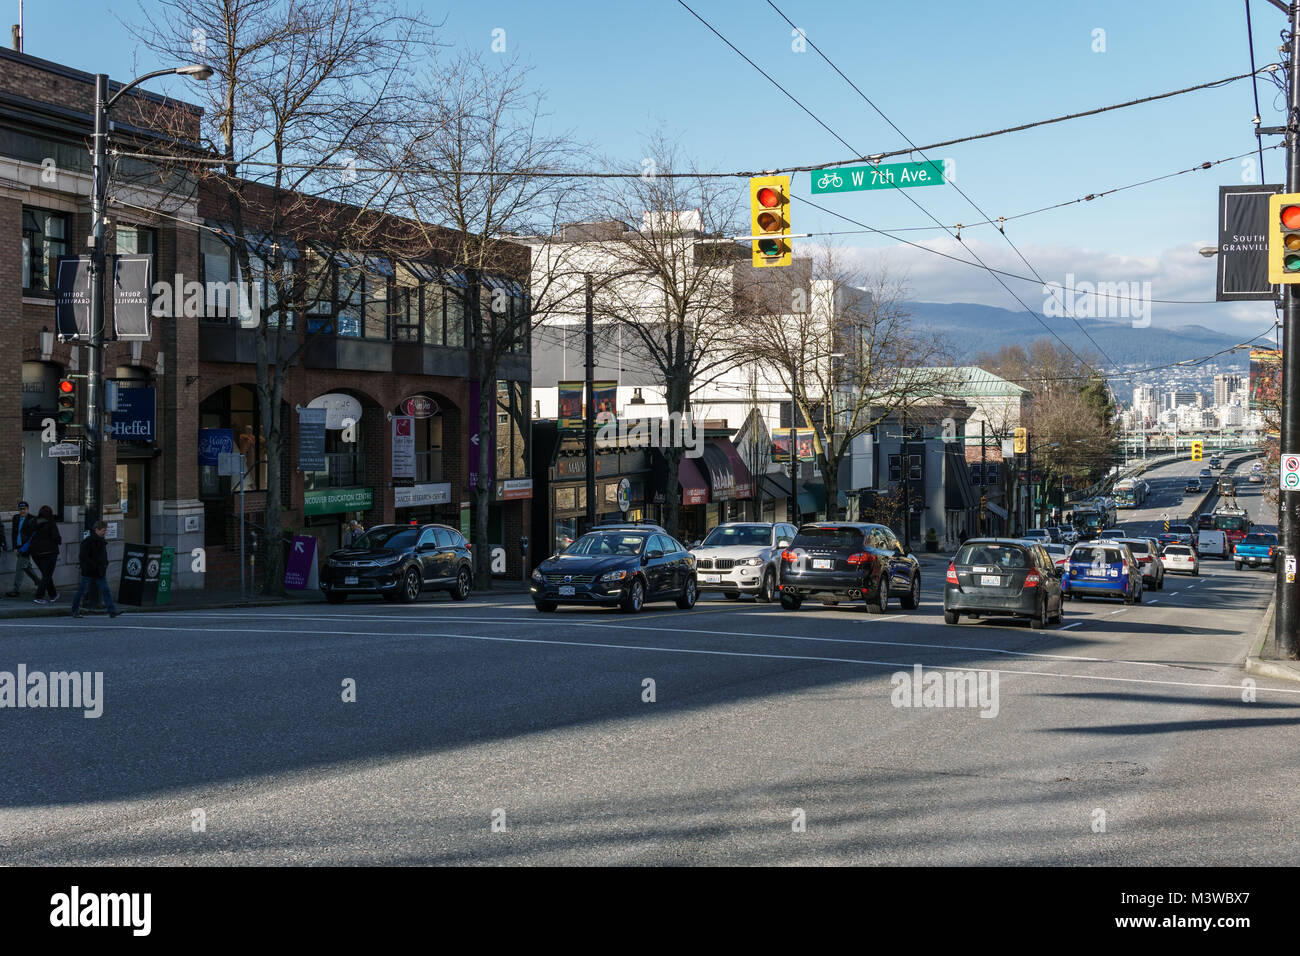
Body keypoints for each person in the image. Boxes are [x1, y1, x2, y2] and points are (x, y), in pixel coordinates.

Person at [70, 521, 119, 619]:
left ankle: (112, 611)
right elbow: (83, 557)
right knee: (82, 591)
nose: (104, 532)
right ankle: (74, 610)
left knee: (104, 590)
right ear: (96, 530)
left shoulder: (99, 540)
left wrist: (104, 564)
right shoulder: (89, 541)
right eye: (103, 530)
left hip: (97, 570)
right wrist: (95, 565)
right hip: (91, 570)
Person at [29, 505, 62, 604]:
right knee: (47, 575)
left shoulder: (32, 522)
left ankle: (53, 595)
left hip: (35, 553)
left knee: (46, 575)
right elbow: (57, 538)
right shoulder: (51, 523)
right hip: (49, 552)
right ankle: (39, 596)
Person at [6, 501, 40, 597]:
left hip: (26, 548)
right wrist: (15, 547)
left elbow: (33, 536)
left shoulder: (32, 519)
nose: (22, 511)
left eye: (24, 509)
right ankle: (40, 582)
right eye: (21, 509)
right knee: (26, 567)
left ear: (28, 509)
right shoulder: (16, 518)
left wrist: (28, 548)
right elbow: (14, 533)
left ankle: (16, 590)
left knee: (19, 568)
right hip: (18, 546)